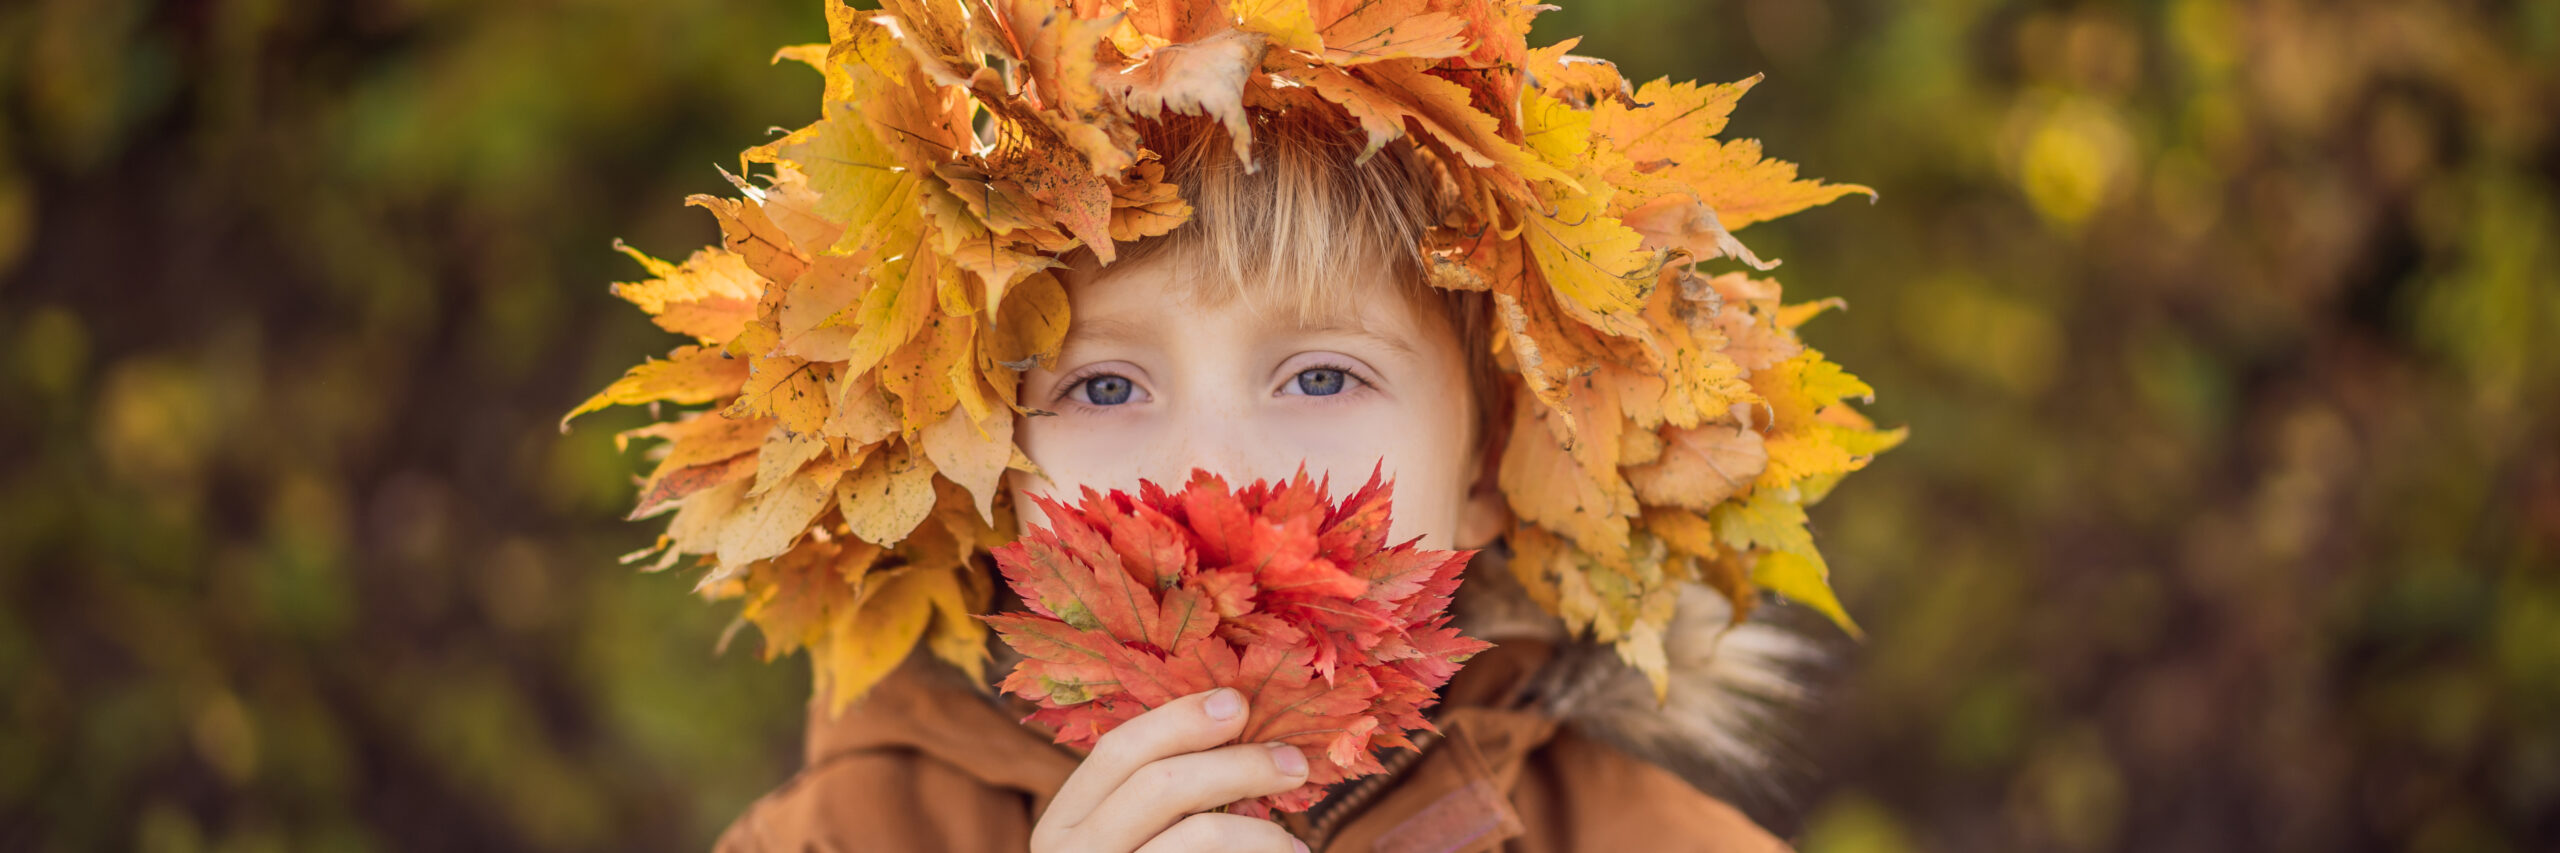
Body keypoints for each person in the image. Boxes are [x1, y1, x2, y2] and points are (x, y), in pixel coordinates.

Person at [568, 1, 1893, 849]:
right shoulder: (847, 836)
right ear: (981, 477)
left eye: (1320, 376)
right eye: (1101, 387)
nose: (1214, 471)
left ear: (1499, 464)